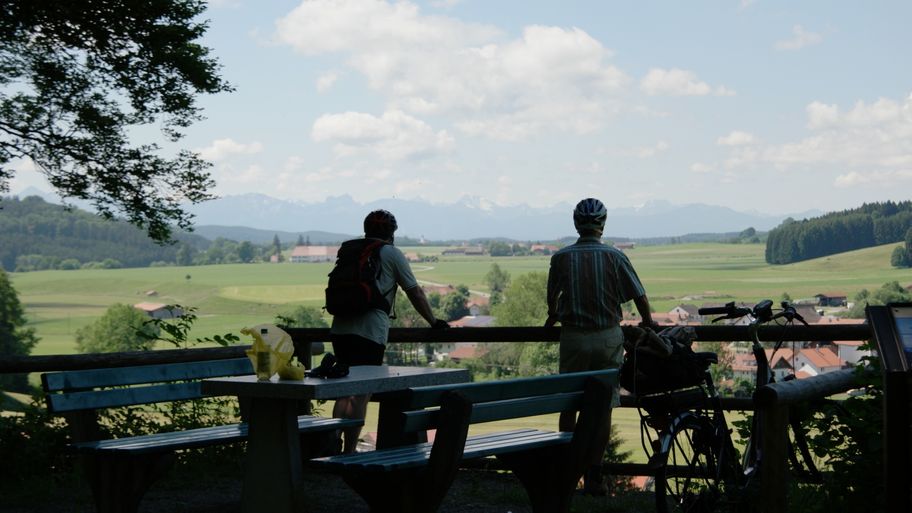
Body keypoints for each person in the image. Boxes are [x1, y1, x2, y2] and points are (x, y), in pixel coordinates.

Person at [545, 197, 657, 495]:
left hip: (573, 338)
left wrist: (553, 316)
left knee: (570, 404)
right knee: (604, 407)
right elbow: (640, 296)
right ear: (603, 225)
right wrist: (648, 320)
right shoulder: (615, 257)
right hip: (607, 337)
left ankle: (567, 470)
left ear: (576, 223)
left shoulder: (561, 258)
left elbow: (553, 302)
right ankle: (595, 472)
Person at [329, 209, 449, 453]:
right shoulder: (390, 253)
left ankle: (331, 443)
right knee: (361, 393)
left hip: (340, 328)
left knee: (343, 391)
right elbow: (414, 291)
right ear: (392, 233)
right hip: (370, 331)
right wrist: (434, 322)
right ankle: (349, 450)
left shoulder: (352, 250)